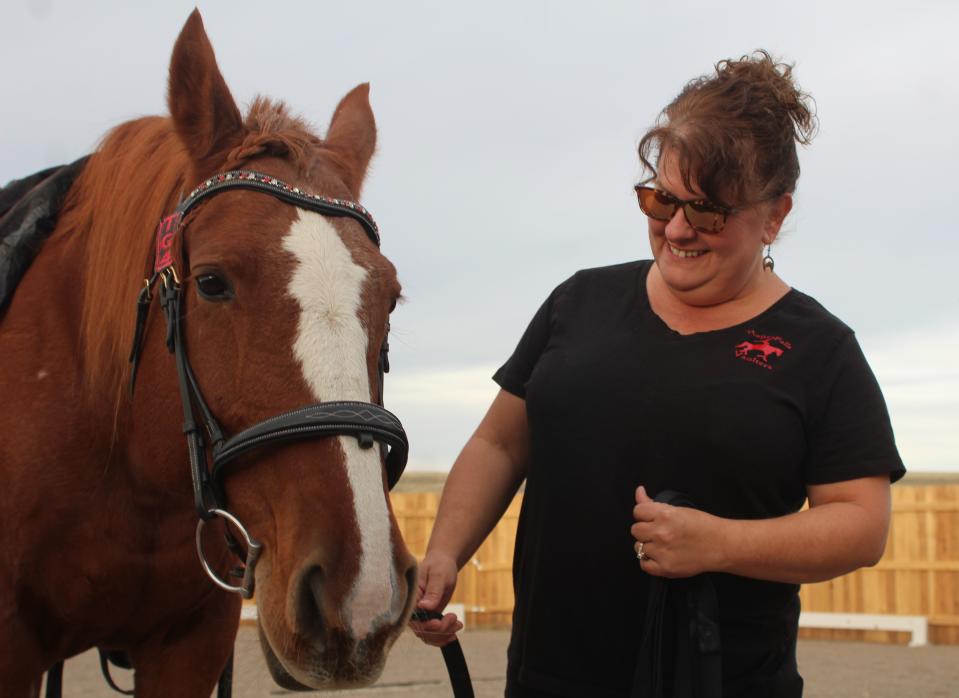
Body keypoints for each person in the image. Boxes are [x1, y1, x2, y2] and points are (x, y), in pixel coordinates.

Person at [410, 50, 905, 698]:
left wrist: (720, 544)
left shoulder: (820, 349)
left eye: (707, 211)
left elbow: (861, 525)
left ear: (775, 215)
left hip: (720, 682)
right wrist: (447, 551)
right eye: (659, 198)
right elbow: (500, 442)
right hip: (545, 678)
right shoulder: (576, 303)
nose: (675, 228)